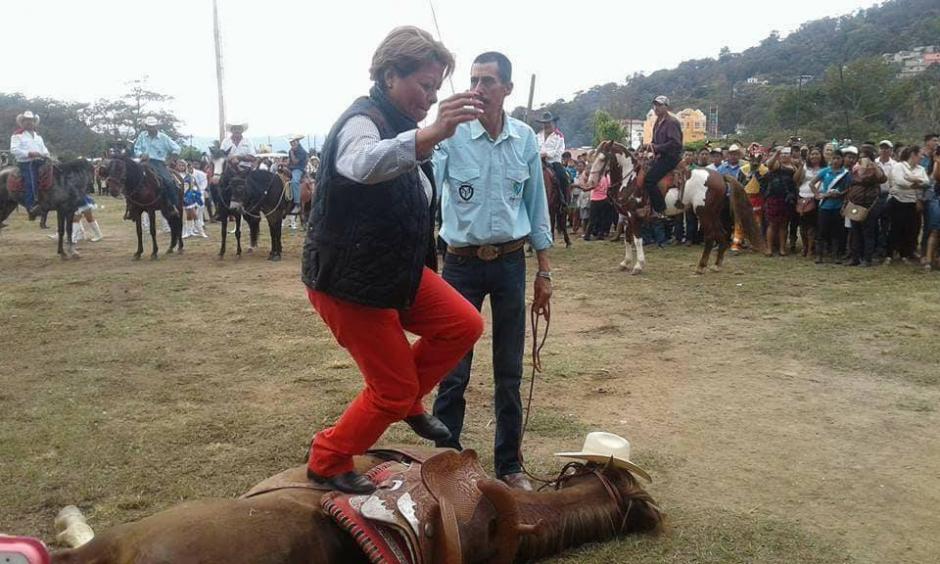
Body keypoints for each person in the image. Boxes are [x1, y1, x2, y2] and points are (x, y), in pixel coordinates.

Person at [301, 26, 484, 494]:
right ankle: (328, 458)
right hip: (348, 281)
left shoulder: (406, 129)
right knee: (392, 388)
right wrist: (433, 132)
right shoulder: (361, 122)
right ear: (388, 76)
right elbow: (361, 164)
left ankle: (407, 400)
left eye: (435, 88)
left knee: (464, 325)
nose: (430, 97)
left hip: (397, 273)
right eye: (423, 85)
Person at [432, 51, 552, 492]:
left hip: (509, 263)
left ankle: (509, 465)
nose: (477, 89)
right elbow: (425, 181)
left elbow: (535, 206)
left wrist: (544, 270)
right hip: (460, 266)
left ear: (507, 89)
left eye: (487, 81)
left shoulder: (524, 139)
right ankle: (445, 463)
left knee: (509, 369)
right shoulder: (452, 136)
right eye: (473, 80)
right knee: (453, 367)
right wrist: (433, 133)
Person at [844, 145, 886, 267]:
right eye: (861, 156)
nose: (863, 159)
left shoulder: (875, 168)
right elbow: (850, 182)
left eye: (865, 156)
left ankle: (867, 259)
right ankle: (855, 257)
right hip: (855, 203)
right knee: (855, 231)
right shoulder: (854, 169)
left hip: (869, 204)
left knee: (868, 232)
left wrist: (873, 166)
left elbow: (882, 179)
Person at [888, 145, 929, 264]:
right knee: (896, 228)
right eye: (920, 154)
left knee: (910, 229)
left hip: (912, 203)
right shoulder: (899, 166)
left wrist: (911, 179)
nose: (922, 157)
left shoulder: (920, 168)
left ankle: (905, 254)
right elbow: (900, 181)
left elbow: (926, 182)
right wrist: (916, 182)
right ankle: (889, 254)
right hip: (898, 201)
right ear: (913, 154)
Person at [133, 117, 181, 216]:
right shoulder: (142, 135)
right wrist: (140, 154)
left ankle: (173, 204)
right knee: (130, 178)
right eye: (149, 127)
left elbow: (177, 148)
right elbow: (136, 148)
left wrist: (170, 160)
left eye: (153, 127)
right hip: (143, 161)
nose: (151, 129)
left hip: (158, 163)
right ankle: (131, 207)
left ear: (156, 126)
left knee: (168, 180)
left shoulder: (163, 137)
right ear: (145, 126)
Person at [642, 96, 682, 214]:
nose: (656, 108)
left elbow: (675, 143)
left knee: (649, 180)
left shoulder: (671, 122)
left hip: (670, 158)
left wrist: (656, 147)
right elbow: (655, 142)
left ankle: (659, 210)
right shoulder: (657, 122)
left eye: (660, 105)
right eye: (655, 105)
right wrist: (648, 146)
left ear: (666, 107)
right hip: (660, 157)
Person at [810, 148, 851, 264]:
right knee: (822, 231)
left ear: (842, 160)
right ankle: (819, 255)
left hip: (838, 206)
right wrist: (818, 194)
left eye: (838, 158)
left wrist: (839, 194)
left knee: (838, 232)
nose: (835, 161)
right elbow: (812, 183)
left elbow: (849, 189)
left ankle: (837, 255)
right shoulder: (825, 171)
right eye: (833, 158)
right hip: (825, 206)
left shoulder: (845, 174)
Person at [9, 111, 50, 219]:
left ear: (34, 122)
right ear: (22, 122)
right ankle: (31, 206)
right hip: (26, 162)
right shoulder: (17, 135)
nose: (29, 122)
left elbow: (44, 149)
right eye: (26, 120)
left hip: (40, 160)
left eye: (31, 120)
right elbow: (14, 150)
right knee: (31, 179)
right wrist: (28, 154)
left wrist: (46, 155)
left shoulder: (38, 136)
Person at [730, 147, 765, 252]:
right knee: (740, 221)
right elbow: (739, 185)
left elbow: (765, 185)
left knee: (757, 222)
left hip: (758, 198)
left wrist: (757, 173)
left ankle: (754, 244)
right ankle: (737, 243)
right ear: (749, 158)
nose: (755, 161)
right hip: (744, 197)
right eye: (752, 159)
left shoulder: (765, 169)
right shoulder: (743, 169)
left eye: (757, 159)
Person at [535, 111, 569, 205]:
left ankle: (564, 200)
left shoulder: (559, 136)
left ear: (553, 123)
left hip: (553, 162)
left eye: (549, 123)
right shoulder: (538, 135)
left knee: (563, 177)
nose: (546, 125)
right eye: (545, 123)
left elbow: (559, 151)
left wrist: (545, 154)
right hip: (538, 161)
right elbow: (533, 147)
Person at [796, 148, 825, 257]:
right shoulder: (804, 167)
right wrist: (800, 167)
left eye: (817, 154)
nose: (814, 156)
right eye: (812, 154)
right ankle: (804, 247)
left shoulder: (825, 168)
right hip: (802, 197)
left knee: (813, 226)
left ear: (821, 156)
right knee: (803, 226)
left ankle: (811, 249)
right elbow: (796, 180)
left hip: (817, 198)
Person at [875, 140, 897, 259]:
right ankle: (874, 248)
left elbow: (894, 183)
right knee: (873, 223)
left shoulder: (895, 165)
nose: (884, 150)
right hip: (874, 196)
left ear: (891, 151)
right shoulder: (874, 163)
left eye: (887, 148)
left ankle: (883, 248)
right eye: (882, 148)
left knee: (885, 223)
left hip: (888, 196)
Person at [287, 135, 309, 215]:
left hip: (298, 169)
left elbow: (295, 161)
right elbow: (290, 162)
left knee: (294, 181)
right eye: (291, 142)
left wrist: (292, 152)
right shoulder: (291, 150)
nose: (292, 143)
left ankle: (297, 204)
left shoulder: (301, 151)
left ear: (298, 141)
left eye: (294, 141)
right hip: (291, 168)